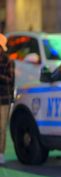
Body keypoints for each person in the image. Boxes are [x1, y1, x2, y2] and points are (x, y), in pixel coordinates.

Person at [0, 33, 15, 164]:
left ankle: (1, 154)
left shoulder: (7, 61)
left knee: (2, 128)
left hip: (3, 98)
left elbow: (10, 80)